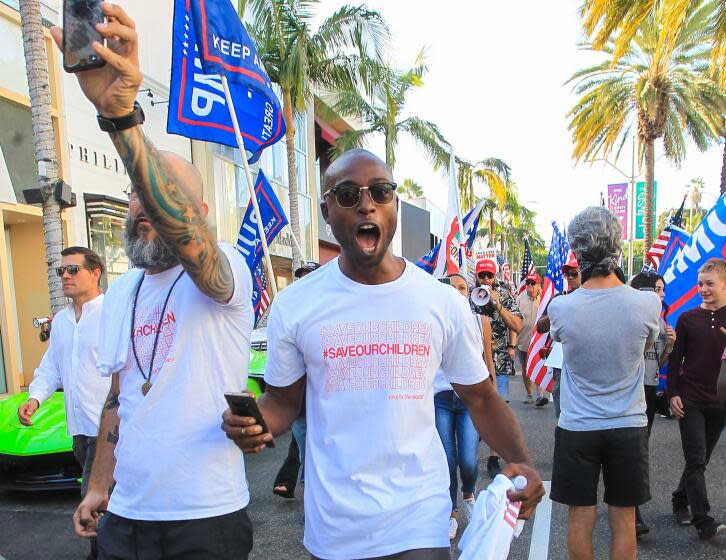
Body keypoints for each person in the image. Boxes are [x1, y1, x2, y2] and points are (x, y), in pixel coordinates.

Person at [223, 148, 544, 560]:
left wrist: (524, 462)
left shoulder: (440, 301)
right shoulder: (297, 305)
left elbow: (481, 397)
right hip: (335, 528)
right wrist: (254, 422)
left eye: (380, 191)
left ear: (393, 203)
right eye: (347, 195)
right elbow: (284, 402)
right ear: (325, 209)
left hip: (419, 521)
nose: (366, 203)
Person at [51, 6, 255, 557]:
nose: (144, 205)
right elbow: (118, 399)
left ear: (200, 212)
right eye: (136, 194)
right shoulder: (122, 291)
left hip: (205, 519)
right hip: (126, 514)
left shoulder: (227, 272)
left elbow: (181, 228)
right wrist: (98, 485)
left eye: (161, 193)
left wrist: (120, 117)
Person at [548, 206, 661, 560]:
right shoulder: (646, 303)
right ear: (616, 244)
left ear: (578, 252)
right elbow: (644, 349)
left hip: (578, 425)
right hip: (627, 425)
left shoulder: (562, 308)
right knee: (624, 519)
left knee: (580, 518)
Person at [18, 246, 109, 560]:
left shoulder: (112, 314)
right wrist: (34, 398)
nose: (65, 276)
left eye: (73, 270)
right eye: (61, 271)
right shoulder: (62, 322)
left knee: (94, 501)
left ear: (95, 272)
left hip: (110, 429)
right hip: (80, 433)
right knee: (106, 503)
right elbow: (51, 368)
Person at [434, 273, 496, 540]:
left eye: (463, 287)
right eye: (453, 287)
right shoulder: (433, 322)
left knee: (469, 460)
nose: (458, 292)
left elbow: (488, 362)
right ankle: (451, 512)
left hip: (470, 399)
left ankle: (469, 493)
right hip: (441, 399)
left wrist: (491, 399)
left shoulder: (480, 322)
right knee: (447, 460)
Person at [668, 258, 726, 540]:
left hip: (721, 401)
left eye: (710, 284)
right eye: (700, 284)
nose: (703, 289)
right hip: (690, 398)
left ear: (724, 285)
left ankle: (680, 498)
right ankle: (704, 521)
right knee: (695, 459)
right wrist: (673, 394)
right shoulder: (687, 318)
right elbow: (676, 359)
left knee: (701, 459)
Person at [628, 270, 676, 536]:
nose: (662, 294)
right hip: (629, 389)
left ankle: (630, 506)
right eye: (657, 289)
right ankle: (632, 511)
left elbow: (656, 364)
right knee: (634, 451)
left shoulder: (661, 318)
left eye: (662, 289)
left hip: (649, 389)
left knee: (640, 449)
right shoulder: (631, 316)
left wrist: (668, 346)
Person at [272, 261, 321, 499]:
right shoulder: (288, 312)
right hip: (299, 407)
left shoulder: (330, 312)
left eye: (309, 276)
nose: (303, 281)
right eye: (299, 277)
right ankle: (313, 504)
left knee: (323, 457)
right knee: (307, 457)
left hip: (324, 404)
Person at [474, 258, 523, 478]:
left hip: (500, 363)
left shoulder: (504, 297)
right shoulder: (468, 299)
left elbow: (517, 325)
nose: (485, 279)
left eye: (489, 276)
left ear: (495, 277)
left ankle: (493, 458)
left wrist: (498, 305)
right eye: (482, 275)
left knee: (497, 409)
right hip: (474, 363)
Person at [535, 253, 581, 417]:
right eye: (567, 274)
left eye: (574, 273)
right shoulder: (560, 298)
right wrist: (557, 312)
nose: (570, 278)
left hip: (586, 362)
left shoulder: (595, 298)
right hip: (561, 362)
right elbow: (540, 327)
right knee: (561, 407)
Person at [515, 271, 543, 406]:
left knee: (538, 365)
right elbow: (514, 318)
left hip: (539, 340)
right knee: (526, 368)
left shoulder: (544, 297)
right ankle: (529, 393)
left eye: (533, 283)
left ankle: (540, 395)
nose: (530, 286)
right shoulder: (520, 298)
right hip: (523, 341)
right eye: (528, 283)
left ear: (539, 285)